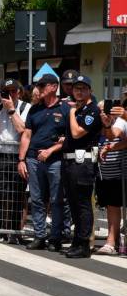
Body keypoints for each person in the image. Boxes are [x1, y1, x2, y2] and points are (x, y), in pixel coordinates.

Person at [18, 73, 66, 250]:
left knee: (56, 200)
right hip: (33, 159)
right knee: (37, 199)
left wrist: (50, 150)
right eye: (38, 85)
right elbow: (27, 135)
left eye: (43, 85)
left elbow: (68, 137)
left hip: (55, 160)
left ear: (54, 87)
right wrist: (21, 160)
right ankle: (39, 236)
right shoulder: (34, 109)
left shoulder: (65, 109)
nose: (39, 89)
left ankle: (55, 237)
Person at [59, 75, 102, 258]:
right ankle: (77, 241)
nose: (79, 91)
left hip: (82, 163)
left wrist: (70, 113)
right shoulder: (78, 110)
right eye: (76, 88)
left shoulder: (91, 111)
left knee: (83, 204)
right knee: (74, 204)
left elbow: (77, 134)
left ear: (90, 91)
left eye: (83, 88)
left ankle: (84, 244)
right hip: (70, 162)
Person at [0, 79, 30, 244]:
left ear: (19, 92)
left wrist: (11, 110)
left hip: (17, 156)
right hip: (0, 155)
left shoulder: (25, 107)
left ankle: (13, 231)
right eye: (6, 91)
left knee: (16, 194)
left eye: (13, 91)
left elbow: (22, 129)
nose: (10, 95)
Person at [95, 100, 126, 255]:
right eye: (100, 110)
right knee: (112, 207)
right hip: (106, 173)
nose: (104, 113)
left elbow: (115, 134)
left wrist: (107, 126)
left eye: (106, 110)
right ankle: (111, 242)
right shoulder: (99, 123)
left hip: (122, 171)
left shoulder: (121, 121)